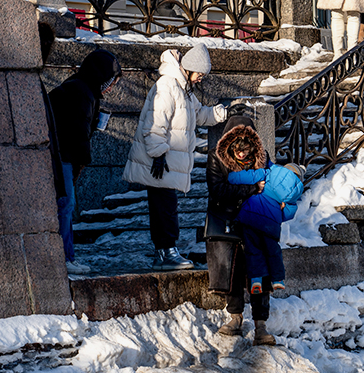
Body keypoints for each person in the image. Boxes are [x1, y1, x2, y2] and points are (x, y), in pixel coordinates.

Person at [123, 43, 227, 270]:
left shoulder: (184, 89)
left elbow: (200, 114)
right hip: (161, 160)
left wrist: (223, 113)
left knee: (166, 206)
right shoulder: (168, 85)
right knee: (164, 206)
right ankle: (165, 252)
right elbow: (155, 122)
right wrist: (158, 154)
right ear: (189, 68)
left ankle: (166, 251)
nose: (201, 79)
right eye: (200, 74)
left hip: (167, 160)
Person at [48, 48, 121, 268]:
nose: (111, 88)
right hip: (64, 155)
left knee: (66, 205)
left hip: (63, 153)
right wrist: (82, 161)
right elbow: (77, 132)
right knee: (66, 205)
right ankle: (64, 258)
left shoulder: (82, 89)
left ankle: (67, 256)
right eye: (111, 82)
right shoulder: (82, 92)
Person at [206, 113, 274, 344]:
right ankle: (235, 317)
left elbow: (271, 185)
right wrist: (251, 188)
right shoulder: (216, 158)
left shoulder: (263, 158)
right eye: (236, 146)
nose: (242, 152)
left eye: (246, 146)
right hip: (227, 220)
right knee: (232, 270)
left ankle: (261, 325)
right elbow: (218, 190)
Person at [228, 161, 304, 296]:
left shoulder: (269, 173)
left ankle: (256, 280)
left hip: (251, 216)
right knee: (273, 251)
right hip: (271, 223)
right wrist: (280, 210)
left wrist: (231, 177)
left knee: (253, 249)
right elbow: (288, 214)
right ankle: (278, 279)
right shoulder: (293, 192)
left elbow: (243, 177)